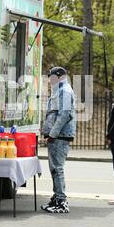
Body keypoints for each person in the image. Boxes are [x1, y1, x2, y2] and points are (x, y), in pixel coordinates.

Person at [41, 67, 76, 213]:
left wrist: (53, 134)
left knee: (57, 168)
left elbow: (64, 115)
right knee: (54, 168)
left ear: (58, 76)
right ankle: (57, 198)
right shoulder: (60, 90)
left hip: (60, 135)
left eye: (51, 76)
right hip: (58, 135)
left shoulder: (65, 91)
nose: (49, 79)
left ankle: (61, 201)